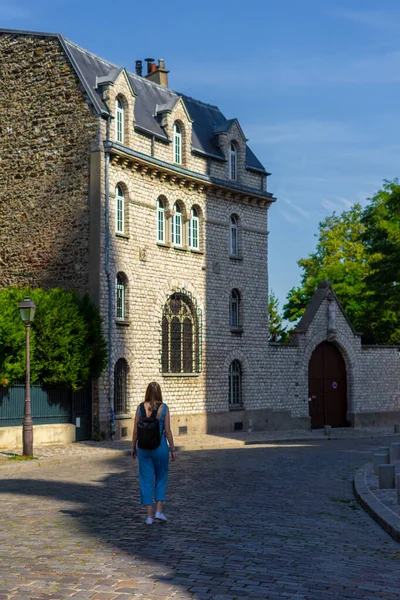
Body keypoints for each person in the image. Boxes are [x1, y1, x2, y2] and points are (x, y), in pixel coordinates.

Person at [131, 381, 176, 524]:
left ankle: (149, 516)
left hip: (143, 449)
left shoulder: (140, 408)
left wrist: (133, 447)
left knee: (146, 480)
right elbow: (167, 431)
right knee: (161, 477)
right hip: (160, 447)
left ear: (147, 392)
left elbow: (135, 431)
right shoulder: (164, 408)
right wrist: (172, 448)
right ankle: (159, 511)